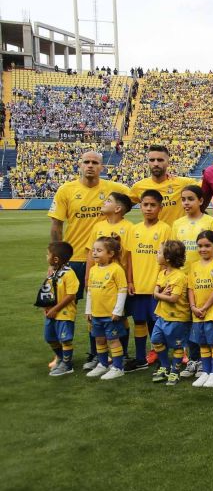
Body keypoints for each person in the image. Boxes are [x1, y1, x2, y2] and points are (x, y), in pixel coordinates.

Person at [48, 150, 130, 369]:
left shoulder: (114, 189)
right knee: (64, 310)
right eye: (87, 162)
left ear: (102, 167)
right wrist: (56, 261)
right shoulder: (66, 190)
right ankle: (61, 355)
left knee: (104, 308)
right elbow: (56, 225)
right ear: (79, 165)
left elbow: (142, 195)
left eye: (95, 162)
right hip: (72, 260)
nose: (91, 166)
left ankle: (101, 354)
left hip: (105, 261)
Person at [172, 185, 213, 378]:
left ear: (201, 201)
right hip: (184, 278)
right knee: (189, 321)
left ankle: (205, 360)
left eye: (190, 199)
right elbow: (174, 253)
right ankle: (193, 359)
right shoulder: (177, 224)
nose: (186, 203)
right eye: (183, 199)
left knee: (205, 320)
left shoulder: (210, 222)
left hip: (206, 280)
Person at [125, 189, 172, 372]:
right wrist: (129, 281)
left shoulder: (165, 229)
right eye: (145, 205)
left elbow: (167, 260)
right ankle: (140, 358)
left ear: (160, 207)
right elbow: (129, 258)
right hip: (137, 286)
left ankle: (162, 358)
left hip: (156, 287)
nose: (149, 208)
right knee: (138, 321)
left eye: (153, 205)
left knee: (157, 323)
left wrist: (162, 284)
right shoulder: (133, 230)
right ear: (140, 206)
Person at [187, 230, 213, 388]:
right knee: (202, 343)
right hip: (198, 313)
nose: (203, 249)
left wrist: (203, 308)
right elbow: (190, 288)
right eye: (200, 246)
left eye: (207, 246)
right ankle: (206, 371)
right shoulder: (194, 266)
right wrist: (193, 307)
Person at [84, 236, 129, 380]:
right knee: (99, 340)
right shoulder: (93, 270)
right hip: (96, 314)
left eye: (99, 250)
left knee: (113, 340)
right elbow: (90, 291)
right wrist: (88, 310)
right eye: (93, 250)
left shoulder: (116, 269)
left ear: (110, 254)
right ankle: (103, 364)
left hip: (110, 315)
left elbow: (123, 290)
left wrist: (118, 311)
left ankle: (118, 367)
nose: (95, 253)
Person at [150, 240, 190, 386]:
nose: (156, 254)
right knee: (155, 340)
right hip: (162, 316)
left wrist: (159, 294)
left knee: (178, 346)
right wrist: (160, 293)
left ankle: (175, 370)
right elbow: (155, 292)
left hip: (178, 318)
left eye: (159, 252)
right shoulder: (162, 273)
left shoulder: (179, 277)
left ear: (167, 258)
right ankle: (165, 366)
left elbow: (173, 298)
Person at [128, 144, 197, 225]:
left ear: (168, 162)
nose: (156, 163)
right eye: (152, 160)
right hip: (152, 236)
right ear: (148, 162)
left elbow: (207, 184)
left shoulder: (183, 183)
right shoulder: (139, 187)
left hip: (176, 236)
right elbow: (120, 205)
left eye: (160, 160)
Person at [40, 242, 80, 377]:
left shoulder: (69, 274)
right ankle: (62, 358)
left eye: (48, 254)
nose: (46, 257)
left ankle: (67, 365)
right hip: (51, 312)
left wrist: (56, 309)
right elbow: (48, 291)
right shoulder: (52, 273)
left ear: (55, 259)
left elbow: (71, 295)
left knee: (65, 339)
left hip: (64, 312)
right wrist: (46, 306)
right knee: (50, 337)